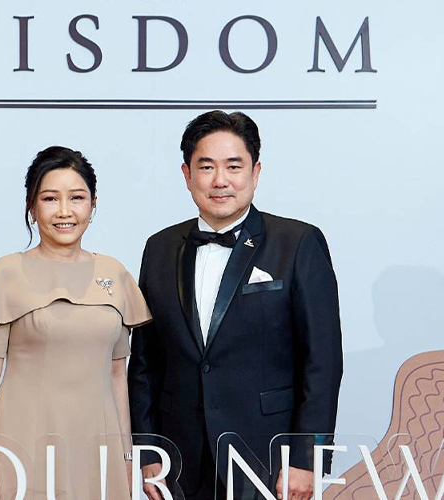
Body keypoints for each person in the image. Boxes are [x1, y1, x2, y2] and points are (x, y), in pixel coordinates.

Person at [128, 111, 343, 500]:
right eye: (206, 167)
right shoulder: (159, 248)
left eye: (233, 166)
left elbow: (322, 361)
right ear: (186, 174)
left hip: (268, 453)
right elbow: (146, 362)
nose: (220, 180)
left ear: (255, 172)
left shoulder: (297, 243)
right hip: (181, 456)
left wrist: (307, 458)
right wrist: (148, 451)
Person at [0, 146, 151, 500]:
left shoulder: (114, 273)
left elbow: (117, 377)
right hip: (24, 444)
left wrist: (126, 460)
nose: (64, 211)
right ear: (32, 207)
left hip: (99, 448)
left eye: (77, 198)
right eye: (50, 198)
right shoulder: (7, 273)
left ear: (93, 205)